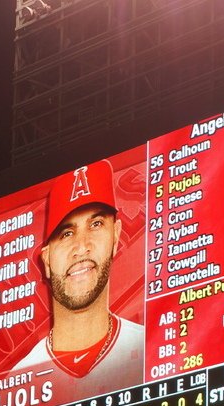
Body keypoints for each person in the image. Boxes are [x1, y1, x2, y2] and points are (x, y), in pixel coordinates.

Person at [10, 159, 143, 391]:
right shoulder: (16, 385)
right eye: (66, 233)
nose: (82, 247)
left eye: (96, 224)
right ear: (47, 259)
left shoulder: (150, 348)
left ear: (115, 236)